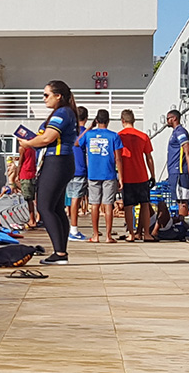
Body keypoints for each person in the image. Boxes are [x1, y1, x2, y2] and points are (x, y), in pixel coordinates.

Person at [17, 80, 79, 265]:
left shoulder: (62, 113)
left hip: (57, 161)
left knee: (44, 207)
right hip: (60, 162)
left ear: (58, 96)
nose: (44, 99)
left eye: (46, 95)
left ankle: (60, 253)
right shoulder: (65, 112)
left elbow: (47, 138)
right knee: (57, 208)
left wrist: (28, 143)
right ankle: (61, 252)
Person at [79, 109, 123, 243]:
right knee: (108, 204)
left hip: (93, 173)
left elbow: (76, 143)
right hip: (109, 173)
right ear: (108, 121)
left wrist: (88, 128)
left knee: (94, 204)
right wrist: (121, 177)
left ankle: (95, 235)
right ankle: (108, 236)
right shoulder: (114, 136)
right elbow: (118, 159)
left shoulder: (89, 135)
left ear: (96, 120)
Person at [117, 109, 155, 242]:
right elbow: (149, 157)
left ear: (122, 121)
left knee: (128, 206)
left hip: (126, 176)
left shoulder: (119, 136)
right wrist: (153, 174)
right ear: (134, 120)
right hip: (142, 175)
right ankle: (147, 234)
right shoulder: (143, 136)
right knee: (145, 204)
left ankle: (131, 234)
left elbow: (117, 158)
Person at [165, 109, 189, 218]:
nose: (167, 120)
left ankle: (182, 224)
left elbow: (187, 151)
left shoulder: (180, 132)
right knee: (178, 199)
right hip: (174, 171)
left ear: (174, 118)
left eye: (168, 118)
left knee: (183, 200)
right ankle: (179, 222)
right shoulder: (175, 133)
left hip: (180, 171)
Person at [67, 106, 90, 241]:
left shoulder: (69, 132)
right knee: (76, 199)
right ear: (86, 118)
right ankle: (73, 229)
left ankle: (70, 227)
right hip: (80, 170)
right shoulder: (86, 133)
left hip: (68, 169)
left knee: (70, 199)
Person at [16, 139, 40, 230]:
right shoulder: (34, 147)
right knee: (35, 198)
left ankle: (32, 220)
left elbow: (21, 162)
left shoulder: (23, 148)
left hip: (25, 174)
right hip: (34, 173)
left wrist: (17, 175)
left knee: (28, 199)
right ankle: (38, 218)